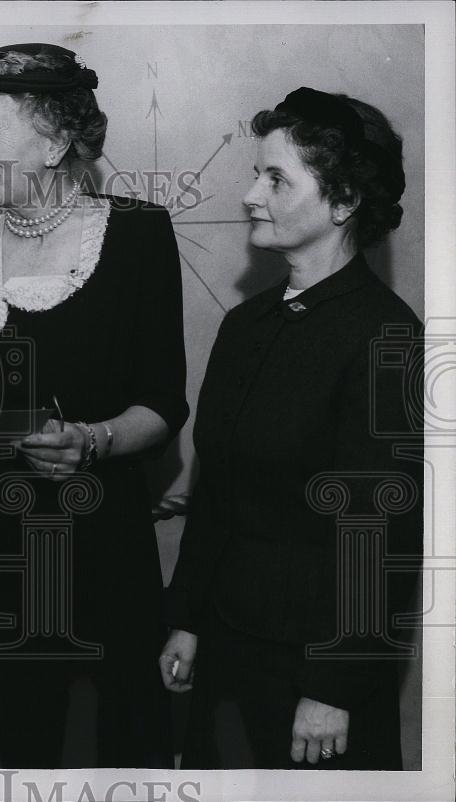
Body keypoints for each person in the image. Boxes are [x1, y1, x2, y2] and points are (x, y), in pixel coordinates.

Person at [0, 43, 188, 767]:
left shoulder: (138, 235)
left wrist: (92, 439)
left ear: (58, 140)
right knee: (9, 753)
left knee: (126, 750)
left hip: (102, 546)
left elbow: (163, 402)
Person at [160, 87, 423, 769]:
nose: (251, 194)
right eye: (257, 173)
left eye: (277, 178)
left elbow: (376, 533)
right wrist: (186, 620)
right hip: (225, 649)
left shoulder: (386, 336)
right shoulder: (246, 324)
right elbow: (214, 492)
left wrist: (333, 687)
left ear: (343, 202)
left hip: (314, 679)